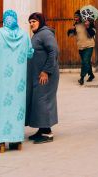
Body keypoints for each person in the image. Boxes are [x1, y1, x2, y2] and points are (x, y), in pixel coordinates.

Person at [0, 10, 33, 153]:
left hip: (1, 80)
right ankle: (16, 141)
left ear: (4, 20)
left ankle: (0, 142)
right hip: (19, 81)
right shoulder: (24, 35)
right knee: (17, 108)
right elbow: (30, 53)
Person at [26, 12, 59, 144]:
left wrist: (46, 71)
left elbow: (54, 51)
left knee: (42, 100)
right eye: (30, 22)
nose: (31, 24)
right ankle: (42, 129)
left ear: (40, 21)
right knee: (38, 101)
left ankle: (47, 133)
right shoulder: (38, 34)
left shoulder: (46, 34)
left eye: (34, 21)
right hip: (39, 75)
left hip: (46, 75)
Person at [68, 14, 96, 85]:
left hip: (89, 46)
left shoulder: (89, 23)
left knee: (85, 62)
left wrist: (87, 27)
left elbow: (92, 34)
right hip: (80, 46)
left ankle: (82, 78)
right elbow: (71, 35)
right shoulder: (76, 25)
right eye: (74, 17)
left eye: (77, 17)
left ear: (81, 17)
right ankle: (91, 75)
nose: (75, 18)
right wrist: (70, 30)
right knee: (86, 62)